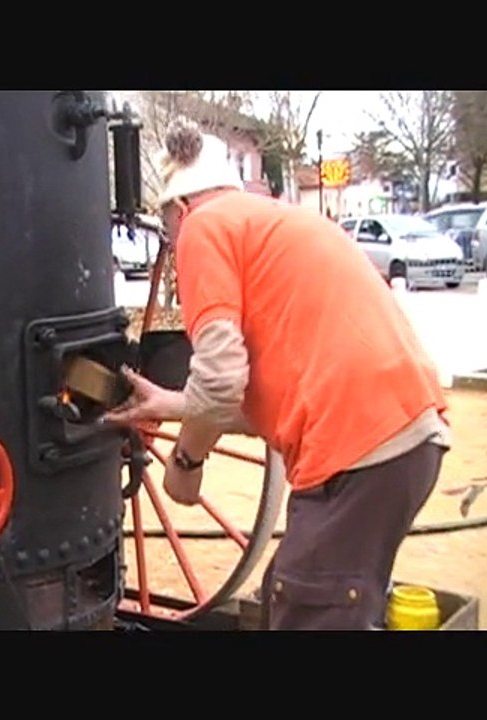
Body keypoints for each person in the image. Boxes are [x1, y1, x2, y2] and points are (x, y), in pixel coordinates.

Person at [104, 118, 451, 630]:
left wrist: (186, 458)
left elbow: (220, 385)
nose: (173, 247)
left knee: (306, 612)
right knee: (292, 599)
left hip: (359, 449)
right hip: (401, 438)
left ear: (178, 207)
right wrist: (175, 405)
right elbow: (271, 393)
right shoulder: (266, 220)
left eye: (168, 230)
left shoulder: (204, 226)